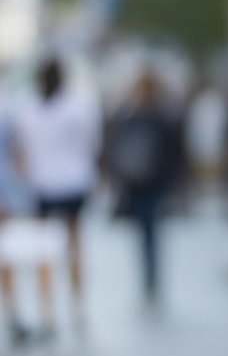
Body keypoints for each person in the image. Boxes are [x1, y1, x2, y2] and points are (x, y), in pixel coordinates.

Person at [14, 58, 101, 330]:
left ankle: (47, 311)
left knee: (43, 248)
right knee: (74, 245)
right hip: (74, 182)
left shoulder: (30, 108)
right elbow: (92, 143)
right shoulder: (78, 106)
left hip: (43, 185)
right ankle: (77, 306)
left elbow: (23, 150)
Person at [105, 70, 184, 305]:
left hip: (137, 184)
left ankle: (149, 281)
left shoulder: (128, 117)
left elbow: (115, 150)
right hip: (153, 184)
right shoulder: (164, 117)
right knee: (151, 233)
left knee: (145, 234)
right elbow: (175, 154)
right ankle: (151, 280)